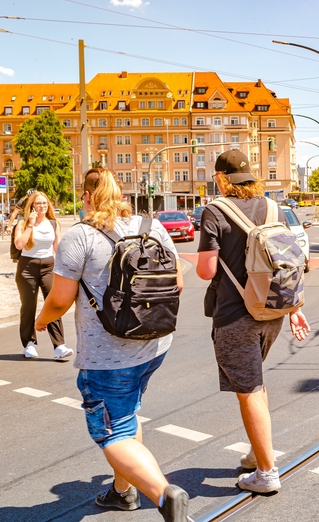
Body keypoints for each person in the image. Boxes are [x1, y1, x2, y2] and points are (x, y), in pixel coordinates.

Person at [34, 168, 189, 521]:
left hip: (108, 356)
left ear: (86, 196)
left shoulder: (81, 236)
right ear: (121, 192)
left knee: (112, 431)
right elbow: (177, 280)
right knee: (127, 414)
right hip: (155, 344)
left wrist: (40, 320)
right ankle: (123, 491)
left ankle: (164, 496)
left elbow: (60, 299)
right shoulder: (152, 226)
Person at [196, 150, 311, 494]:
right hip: (272, 311)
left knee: (248, 391)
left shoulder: (215, 212)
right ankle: (255, 452)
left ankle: (266, 472)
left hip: (235, 316)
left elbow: (206, 270)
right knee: (255, 382)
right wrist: (294, 308)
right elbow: (288, 260)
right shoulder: (273, 208)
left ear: (220, 178)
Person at [13, 190, 71, 360]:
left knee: (54, 303)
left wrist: (65, 268)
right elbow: (19, 244)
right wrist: (30, 225)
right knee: (28, 306)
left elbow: (57, 248)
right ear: (31, 206)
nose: (42, 206)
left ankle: (59, 345)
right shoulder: (22, 225)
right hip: (27, 268)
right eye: (38, 203)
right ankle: (29, 344)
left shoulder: (53, 224)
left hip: (48, 266)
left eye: (44, 203)